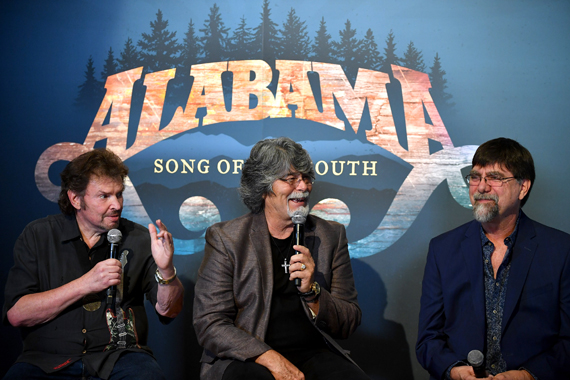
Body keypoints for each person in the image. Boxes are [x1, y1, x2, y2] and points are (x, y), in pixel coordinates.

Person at [193, 137, 369, 380]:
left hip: (312, 353)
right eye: (290, 179)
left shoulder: (331, 236)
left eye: (306, 178)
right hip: (249, 356)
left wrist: (313, 292)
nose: (303, 186)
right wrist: (271, 359)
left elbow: (349, 320)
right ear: (264, 187)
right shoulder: (227, 239)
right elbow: (210, 323)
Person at [2, 148, 184, 379]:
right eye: (104, 196)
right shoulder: (38, 235)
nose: (116, 204)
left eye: (119, 194)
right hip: (47, 361)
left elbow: (170, 311)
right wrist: (86, 284)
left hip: (121, 359)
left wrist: (166, 270)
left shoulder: (138, 239)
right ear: (75, 199)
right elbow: (17, 314)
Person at [416, 137, 570, 380]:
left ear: (523, 187)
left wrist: (526, 376)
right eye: (476, 177)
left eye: (495, 178)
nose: (481, 187)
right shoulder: (442, 249)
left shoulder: (561, 250)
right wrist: (456, 372)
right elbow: (428, 340)